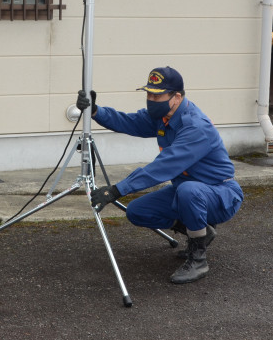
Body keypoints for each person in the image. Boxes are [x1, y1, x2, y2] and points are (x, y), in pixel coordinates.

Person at [82, 67, 244, 284]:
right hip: (186, 190)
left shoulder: (195, 126)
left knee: (189, 190)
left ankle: (198, 259)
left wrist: (117, 190)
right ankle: (201, 231)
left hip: (220, 193)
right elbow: (129, 122)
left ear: (176, 97)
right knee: (137, 211)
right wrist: (95, 111)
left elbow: (163, 167)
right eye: (148, 94)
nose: (151, 99)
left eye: (157, 95)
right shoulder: (163, 116)